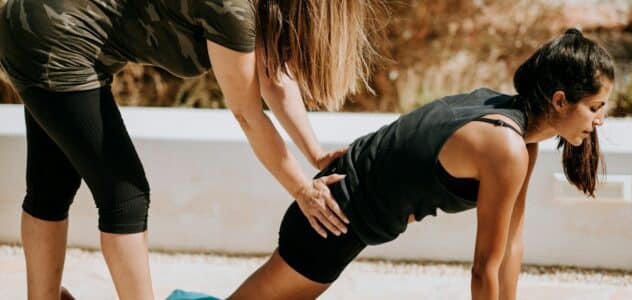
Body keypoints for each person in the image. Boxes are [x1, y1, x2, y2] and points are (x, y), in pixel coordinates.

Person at [0, 0, 384, 299]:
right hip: (53, 37)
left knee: (51, 187)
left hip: (40, 26)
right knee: (125, 195)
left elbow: (274, 80)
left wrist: (315, 154)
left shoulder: (261, 10)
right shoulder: (234, 10)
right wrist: (302, 190)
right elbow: (248, 115)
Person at [228, 28, 615, 300]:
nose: (600, 120)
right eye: (595, 107)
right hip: (331, 219)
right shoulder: (506, 148)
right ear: (560, 101)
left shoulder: (520, 135)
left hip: (348, 219)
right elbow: (484, 268)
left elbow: (511, 244)